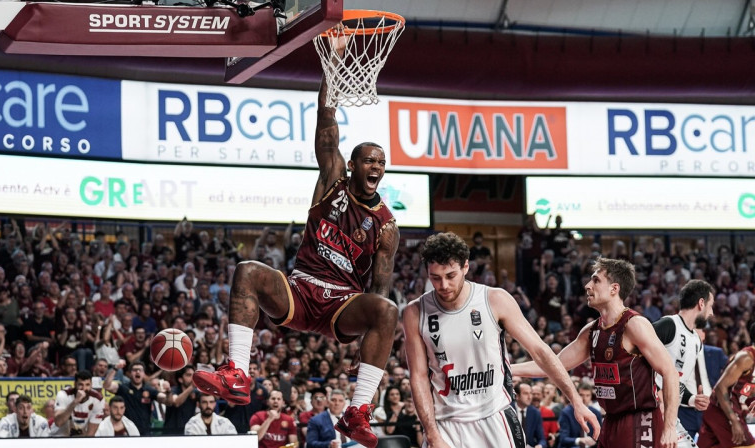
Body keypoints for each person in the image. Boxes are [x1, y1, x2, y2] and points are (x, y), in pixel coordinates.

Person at [193, 43, 400, 448]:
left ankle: (358, 411)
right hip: (300, 290)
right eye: (369, 161)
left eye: (381, 162)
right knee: (247, 270)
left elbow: (379, 290)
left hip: (342, 305)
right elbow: (326, 120)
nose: (376, 167)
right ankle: (236, 371)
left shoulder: (387, 226)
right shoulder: (332, 181)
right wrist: (333, 66)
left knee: (387, 308)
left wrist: (367, 327)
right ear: (353, 165)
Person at [403, 233, 600, 448]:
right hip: (445, 423)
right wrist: (431, 434)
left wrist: (576, 400)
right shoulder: (415, 312)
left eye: (451, 276)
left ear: (466, 267)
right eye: (435, 278)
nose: (444, 285)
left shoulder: (494, 299)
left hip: (495, 415)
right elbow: (419, 376)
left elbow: (541, 351)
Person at [513, 257, 679, 448]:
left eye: (596, 280)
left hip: (639, 418)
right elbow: (552, 365)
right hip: (610, 420)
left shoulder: (634, 324)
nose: (587, 286)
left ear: (614, 289)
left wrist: (670, 427)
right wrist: (507, 368)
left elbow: (670, 372)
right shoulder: (591, 331)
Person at [652, 280, 714, 442]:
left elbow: (677, 383)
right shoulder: (669, 325)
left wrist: (692, 399)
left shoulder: (696, 342)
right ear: (701, 303)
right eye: (711, 306)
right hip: (648, 412)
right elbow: (635, 360)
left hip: (670, 416)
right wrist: (657, 393)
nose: (711, 313)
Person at [696, 322, 755, 448]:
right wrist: (734, 420)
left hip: (717, 410)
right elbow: (720, 387)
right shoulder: (746, 358)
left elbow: (745, 387)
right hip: (722, 410)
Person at [102, 360, 171, 436]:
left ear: (143, 373)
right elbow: (106, 386)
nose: (137, 372)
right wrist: (115, 368)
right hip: (126, 431)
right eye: (135, 370)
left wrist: (168, 391)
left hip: (145, 432)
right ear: (130, 373)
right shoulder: (123, 388)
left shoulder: (149, 390)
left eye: (140, 370)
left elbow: (165, 400)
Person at [52, 369, 104, 437]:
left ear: (91, 385)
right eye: (80, 385)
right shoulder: (64, 395)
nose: (84, 388)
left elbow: (91, 434)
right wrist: (75, 402)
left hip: (82, 438)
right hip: (58, 436)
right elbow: (58, 422)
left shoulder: (98, 399)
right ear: (75, 384)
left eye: (87, 385)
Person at [515, 383, 546, 448]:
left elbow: (542, 439)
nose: (530, 397)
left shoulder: (535, 412)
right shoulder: (508, 410)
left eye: (531, 393)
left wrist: (540, 445)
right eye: (526, 393)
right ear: (517, 396)